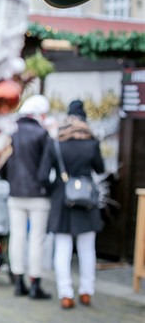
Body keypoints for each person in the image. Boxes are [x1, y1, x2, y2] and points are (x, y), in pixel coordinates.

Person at [38, 99, 105, 309]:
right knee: (87, 248)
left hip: (62, 198)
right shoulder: (92, 142)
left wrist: (55, 190)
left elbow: (41, 176)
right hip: (87, 199)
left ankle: (65, 294)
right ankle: (86, 292)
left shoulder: (56, 142)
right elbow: (101, 169)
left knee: (63, 248)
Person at [0, 94, 52, 299]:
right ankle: (35, 283)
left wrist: (10, 180)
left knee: (17, 237)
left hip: (15, 192)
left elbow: (2, 164)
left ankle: (18, 281)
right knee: (36, 239)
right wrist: (46, 187)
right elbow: (46, 170)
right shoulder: (42, 134)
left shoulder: (12, 132)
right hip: (39, 194)